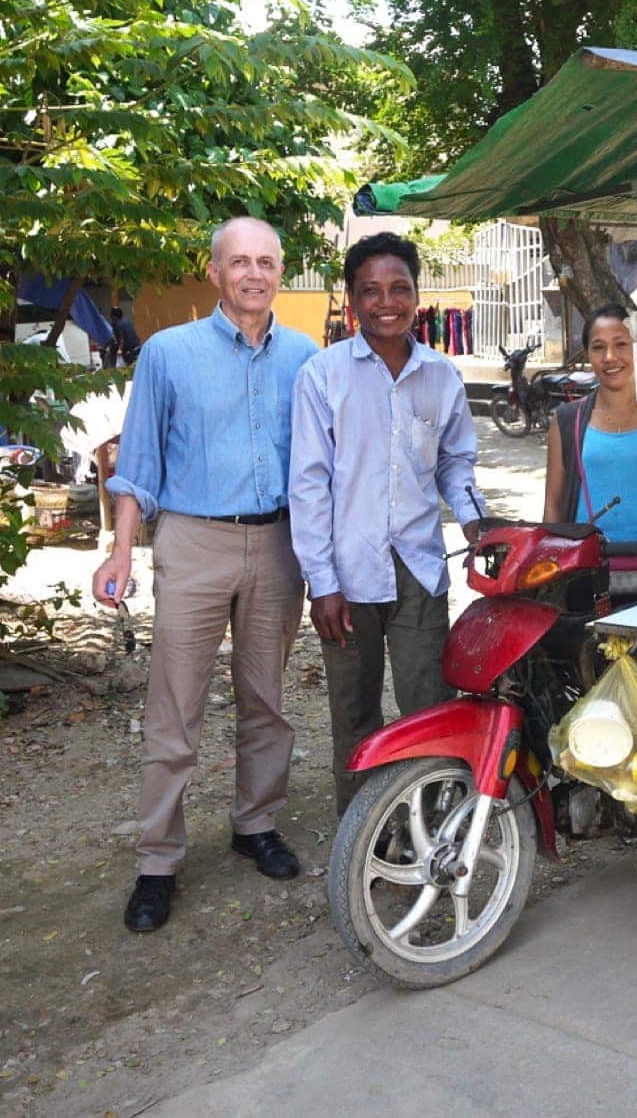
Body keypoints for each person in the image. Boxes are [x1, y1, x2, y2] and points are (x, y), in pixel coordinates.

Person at [94, 217, 317, 934]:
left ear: (281, 273)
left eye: (267, 262)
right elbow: (139, 466)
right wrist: (122, 551)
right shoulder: (168, 354)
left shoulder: (308, 359)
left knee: (267, 702)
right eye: (240, 262)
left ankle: (255, 826)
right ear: (216, 272)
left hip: (278, 545)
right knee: (174, 709)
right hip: (192, 542)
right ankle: (157, 861)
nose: (254, 273)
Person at [289, 232, 488, 815]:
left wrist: (476, 523)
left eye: (399, 288)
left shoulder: (441, 376)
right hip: (347, 576)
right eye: (371, 290)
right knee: (354, 712)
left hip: (420, 572)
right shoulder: (322, 376)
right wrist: (321, 583)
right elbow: (308, 486)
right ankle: (363, 835)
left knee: (428, 705)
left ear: (417, 295)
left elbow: (456, 462)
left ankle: (432, 826)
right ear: (352, 300)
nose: (386, 301)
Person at [543, 304, 637, 542]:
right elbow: (553, 505)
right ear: (587, 355)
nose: (610, 357)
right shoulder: (567, 421)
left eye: (621, 344)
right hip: (586, 566)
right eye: (598, 347)